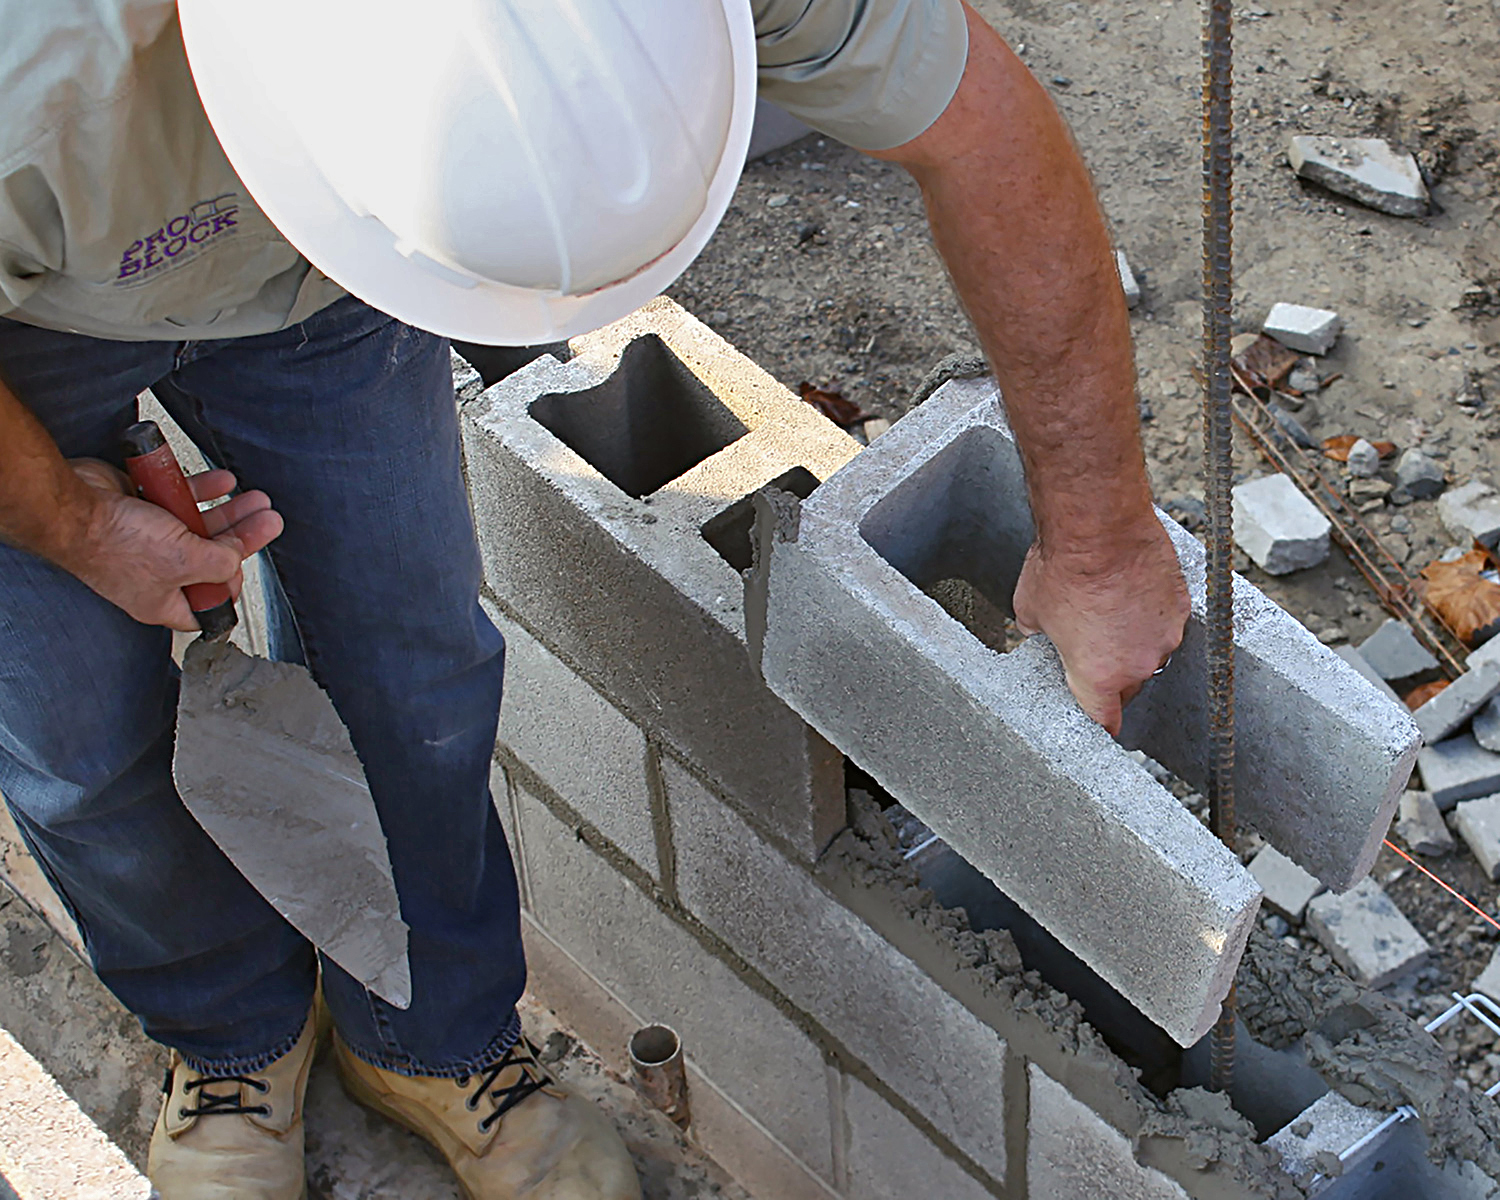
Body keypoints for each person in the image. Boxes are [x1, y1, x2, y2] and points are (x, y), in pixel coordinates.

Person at [0, 0, 1189, 1196]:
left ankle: (434, 1041)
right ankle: (230, 1043)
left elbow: (981, 127)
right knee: (76, 742)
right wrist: (75, 521)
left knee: (415, 676)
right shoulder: (38, 72)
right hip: (31, 317)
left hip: (333, 296)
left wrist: (1097, 544)